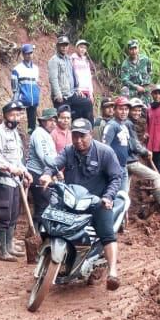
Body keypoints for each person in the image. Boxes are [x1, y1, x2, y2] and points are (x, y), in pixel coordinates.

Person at [39, 118, 125, 290]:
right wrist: (47, 174)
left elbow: (116, 177)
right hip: (72, 200)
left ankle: (113, 272)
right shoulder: (69, 151)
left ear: (91, 134)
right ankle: (50, 255)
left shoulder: (105, 152)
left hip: (96, 202)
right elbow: (55, 164)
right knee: (49, 217)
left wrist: (108, 197)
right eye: (75, 136)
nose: (78, 140)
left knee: (107, 234)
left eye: (82, 136)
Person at [103, 96, 160, 209]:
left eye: (126, 109)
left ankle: (122, 219)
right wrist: (145, 152)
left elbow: (128, 144)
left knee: (123, 194)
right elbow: (105, 147)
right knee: (155, 176)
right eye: (121, 109)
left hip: (123, 165)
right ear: (115, 109)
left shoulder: (123, 124)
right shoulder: (114, 125)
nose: (124, 112)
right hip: (123, 164)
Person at [0, 100, 32, 261]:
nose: (15, 118)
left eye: (18, 114)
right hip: (3, 180)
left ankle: (9, 245)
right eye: (12, 114)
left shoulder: (15, 133)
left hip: (16, 181)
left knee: (13, 214)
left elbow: (18, 158)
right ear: (5, 115)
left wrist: (25, 172)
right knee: (3, 214)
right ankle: (1, 249)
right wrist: (10, 168)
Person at [26, 108, 59, 229]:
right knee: (42, 205)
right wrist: (55, 170)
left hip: (45, 173)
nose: (53, 123)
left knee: (45, 205)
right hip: (37, 174)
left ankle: (40, 231)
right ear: (43, 121)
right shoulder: (39, 134)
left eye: (55, 121)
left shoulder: (47, 135)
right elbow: (44, 157)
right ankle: (36, 234)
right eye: (50, 120)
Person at [11, 43, 41, 133]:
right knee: (16, 121)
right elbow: (14, 88)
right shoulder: (17, 69)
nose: (29, 55)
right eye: (27, 53)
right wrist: (17, 99)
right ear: (23, 54)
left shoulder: (36, 68)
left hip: (33, 101)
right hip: (22, 100)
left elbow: (36, 83)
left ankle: (30, 141)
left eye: (31, 53)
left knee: (32, 125)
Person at [47, 36, 76, 110]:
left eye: (66, 45)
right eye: (62, 45)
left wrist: (77, 89)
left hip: (71, 94)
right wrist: (58, 94)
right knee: (63, 117)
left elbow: (73, 75)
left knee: (86, 104)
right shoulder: (54, 60)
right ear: (57, 46)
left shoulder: (69, 59)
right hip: (62, 96)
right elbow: (53, 79)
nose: (64, 47)